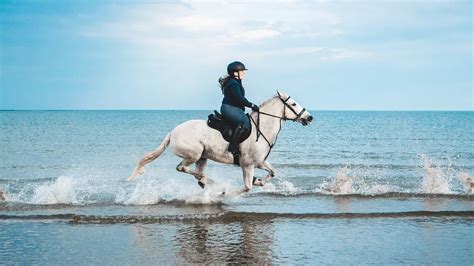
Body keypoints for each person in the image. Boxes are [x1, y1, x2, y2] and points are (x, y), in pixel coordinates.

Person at [219, 61, 259, 156]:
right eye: (241, 71)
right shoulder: (234, 84)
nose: (243, 73)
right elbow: (239, 98)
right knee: (245, 122)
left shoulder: (235, 82)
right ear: (235, 73)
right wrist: (251, 105)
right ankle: (233, 148)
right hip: (229, 108)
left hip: (233, 108)